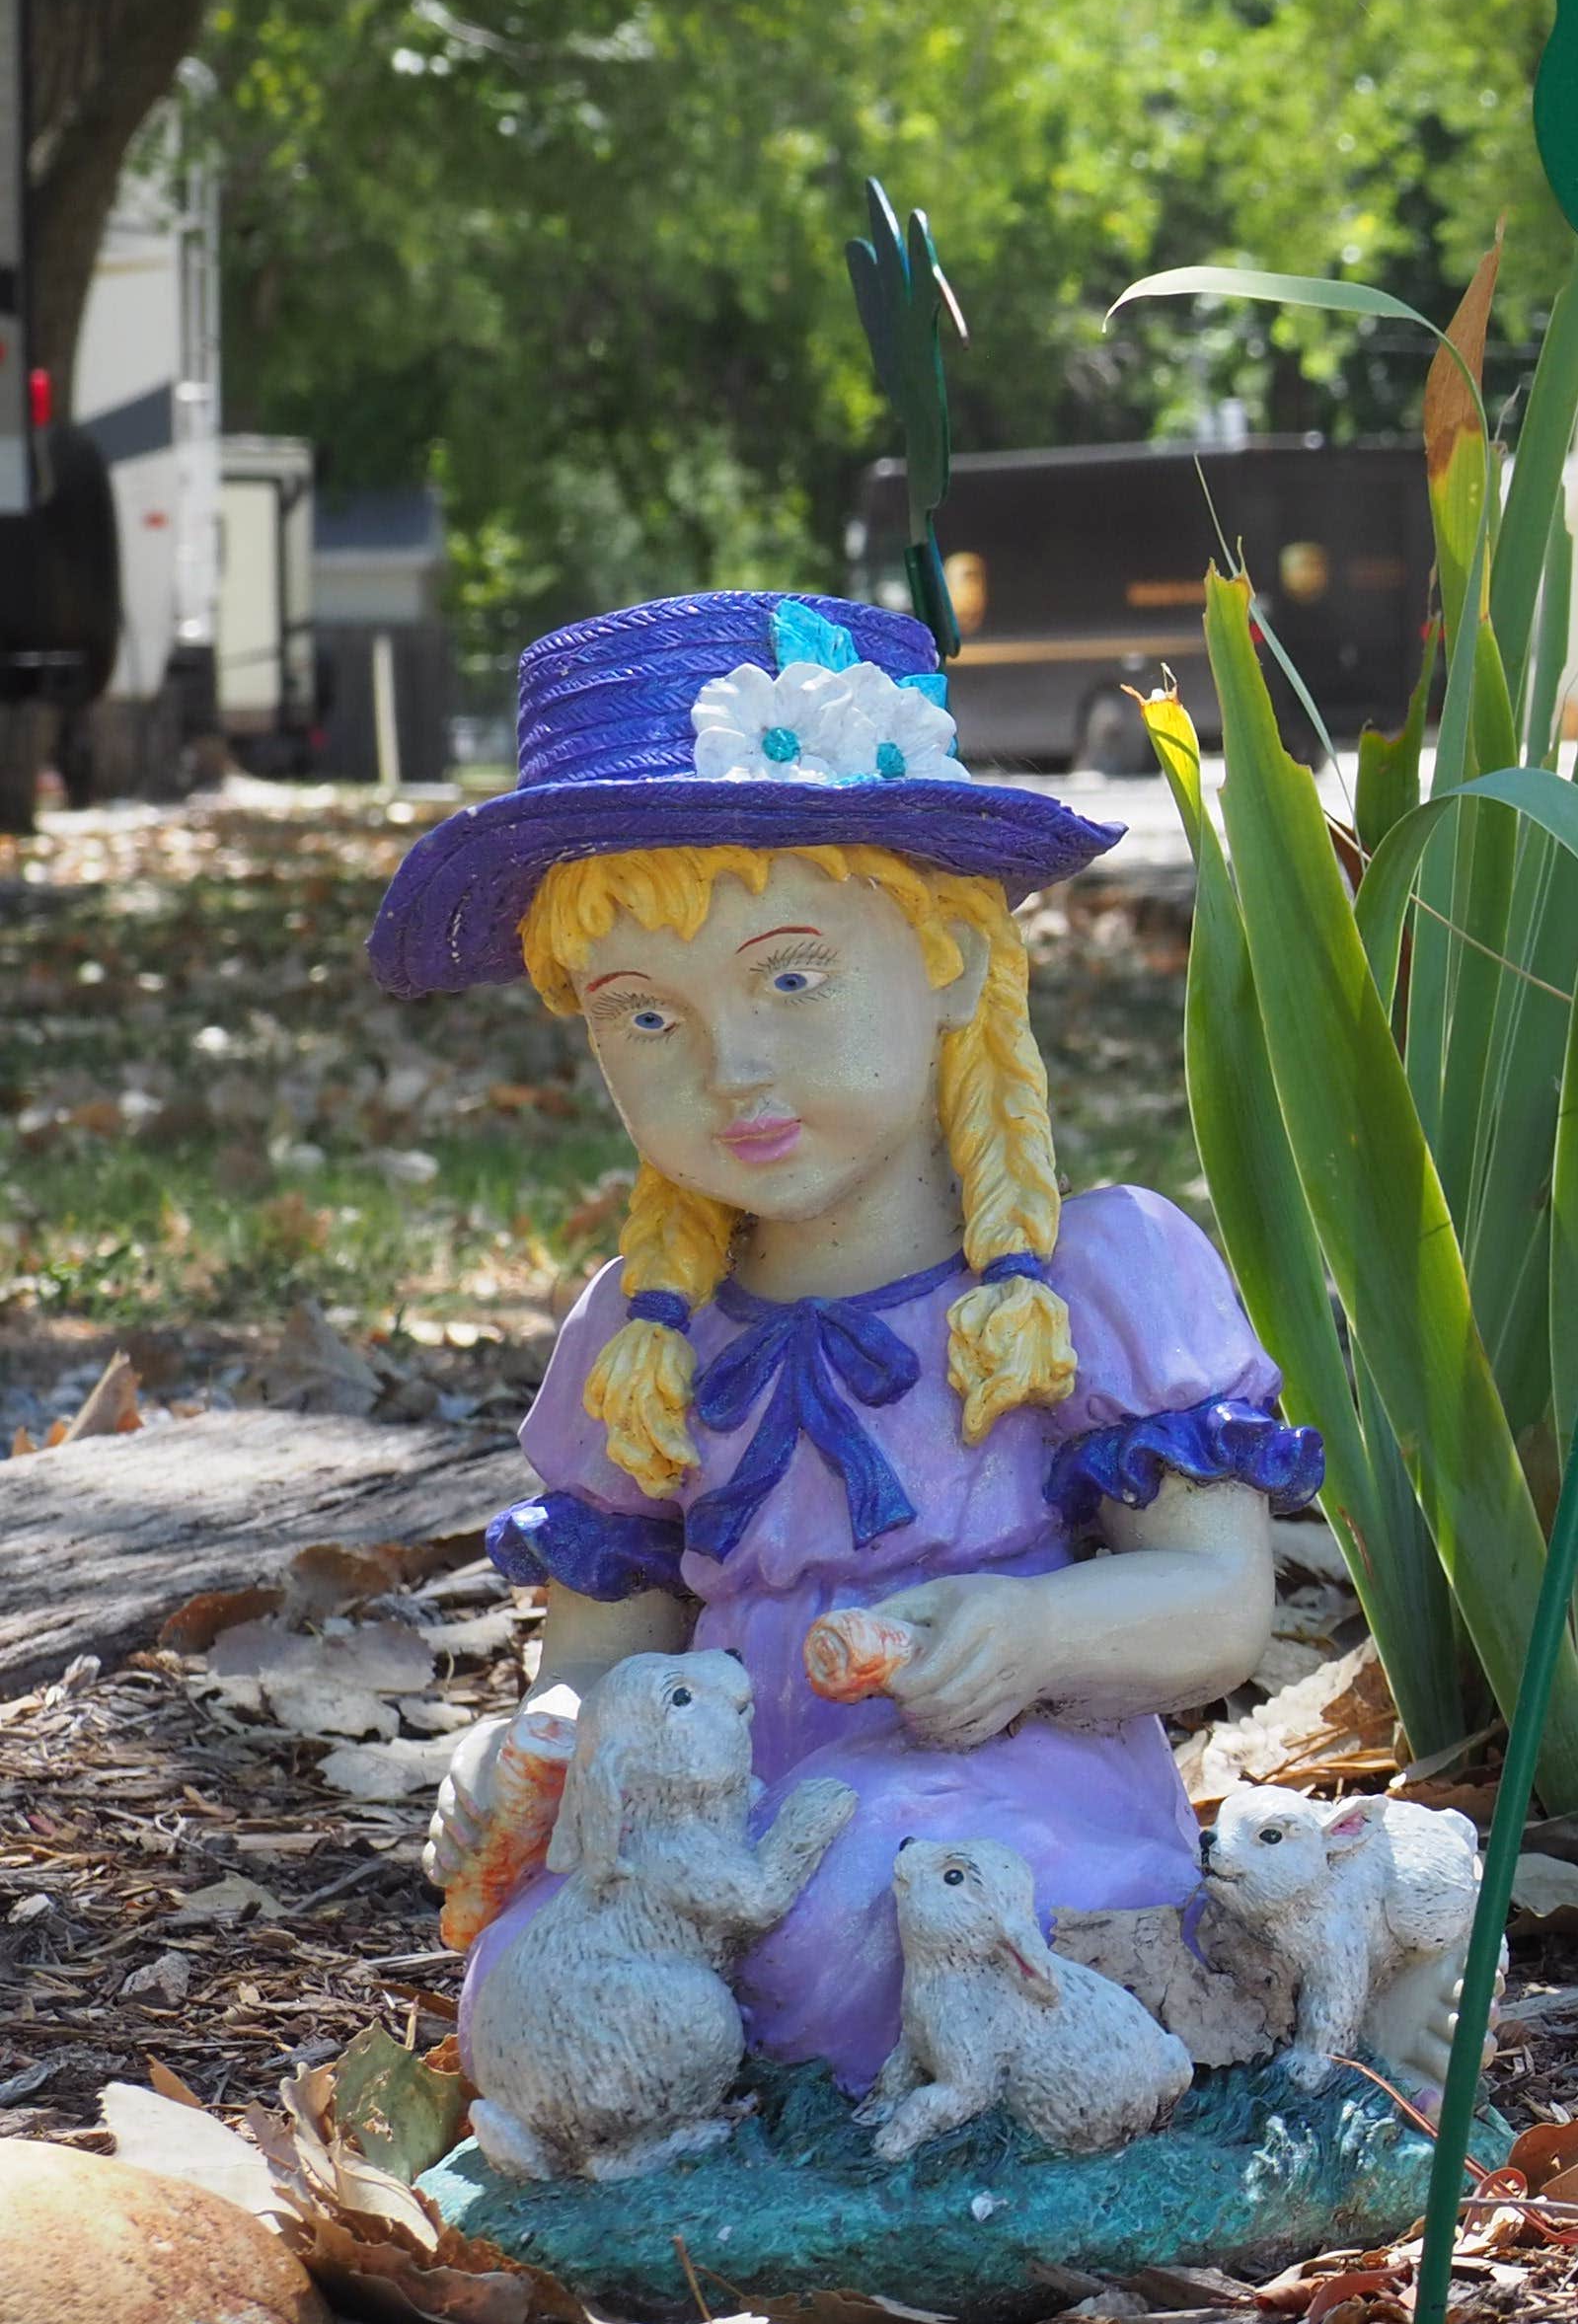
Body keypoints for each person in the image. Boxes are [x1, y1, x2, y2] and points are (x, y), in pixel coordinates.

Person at [380, 592, 1309, 2099]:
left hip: (1000, 1787)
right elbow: (606, 1663)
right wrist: (538, 1748)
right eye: (645, 1021)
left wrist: (1037, 1637)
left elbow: (1217, 1606)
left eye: (792, 978)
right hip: (720, 1802)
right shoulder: (641, 1332)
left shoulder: (1092, 1275)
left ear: (948, 952)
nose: (733, 1065)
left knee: (862, 1905)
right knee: (538, 1966)